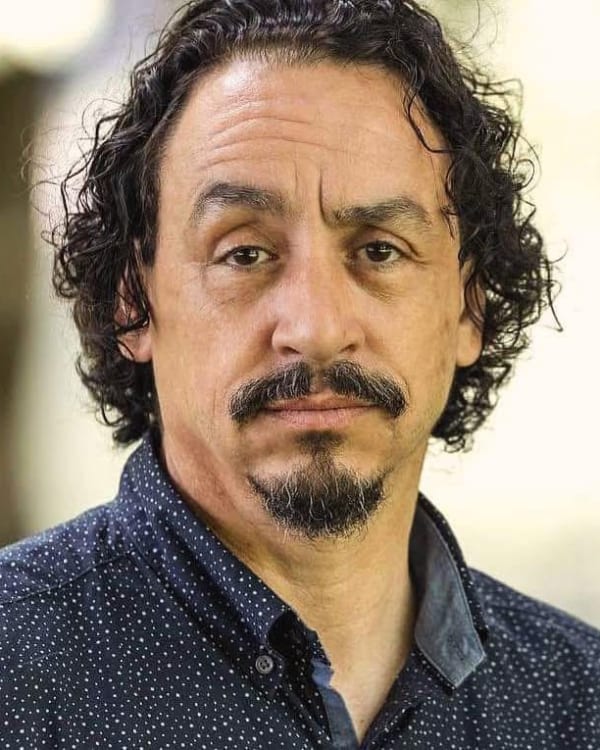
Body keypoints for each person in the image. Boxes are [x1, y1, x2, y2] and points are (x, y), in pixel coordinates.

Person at [1, 0, 598, 747]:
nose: (315, 328)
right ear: (135, 304)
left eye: (379, 250)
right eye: (245, 253)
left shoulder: (578, 702)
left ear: (469, 308)